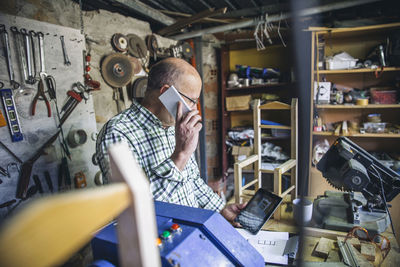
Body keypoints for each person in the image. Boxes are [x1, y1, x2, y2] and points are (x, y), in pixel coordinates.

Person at [96, 57, 246, 226]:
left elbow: (193, 181)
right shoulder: (117, 133)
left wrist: (221, 209)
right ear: (166, 92)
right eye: (192, 100)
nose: (194, 110)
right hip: (160, 243)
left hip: (192, 232)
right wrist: (180, 156)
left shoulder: (174, 125)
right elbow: (136, 210)